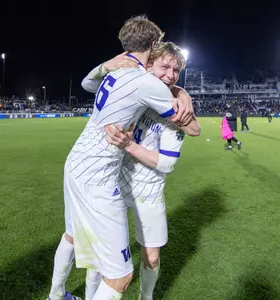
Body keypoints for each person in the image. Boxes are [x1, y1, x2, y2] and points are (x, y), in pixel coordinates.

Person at [47, 16, 194, 300]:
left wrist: (105, 65)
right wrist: (182, 95)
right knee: (120, 275)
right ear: (153, 45)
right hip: (99, 175)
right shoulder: (144, 83)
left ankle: (55, 296)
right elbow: (191, 126)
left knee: (72, 236)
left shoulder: (114, 72)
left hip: (75, 162)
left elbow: (87, 83)